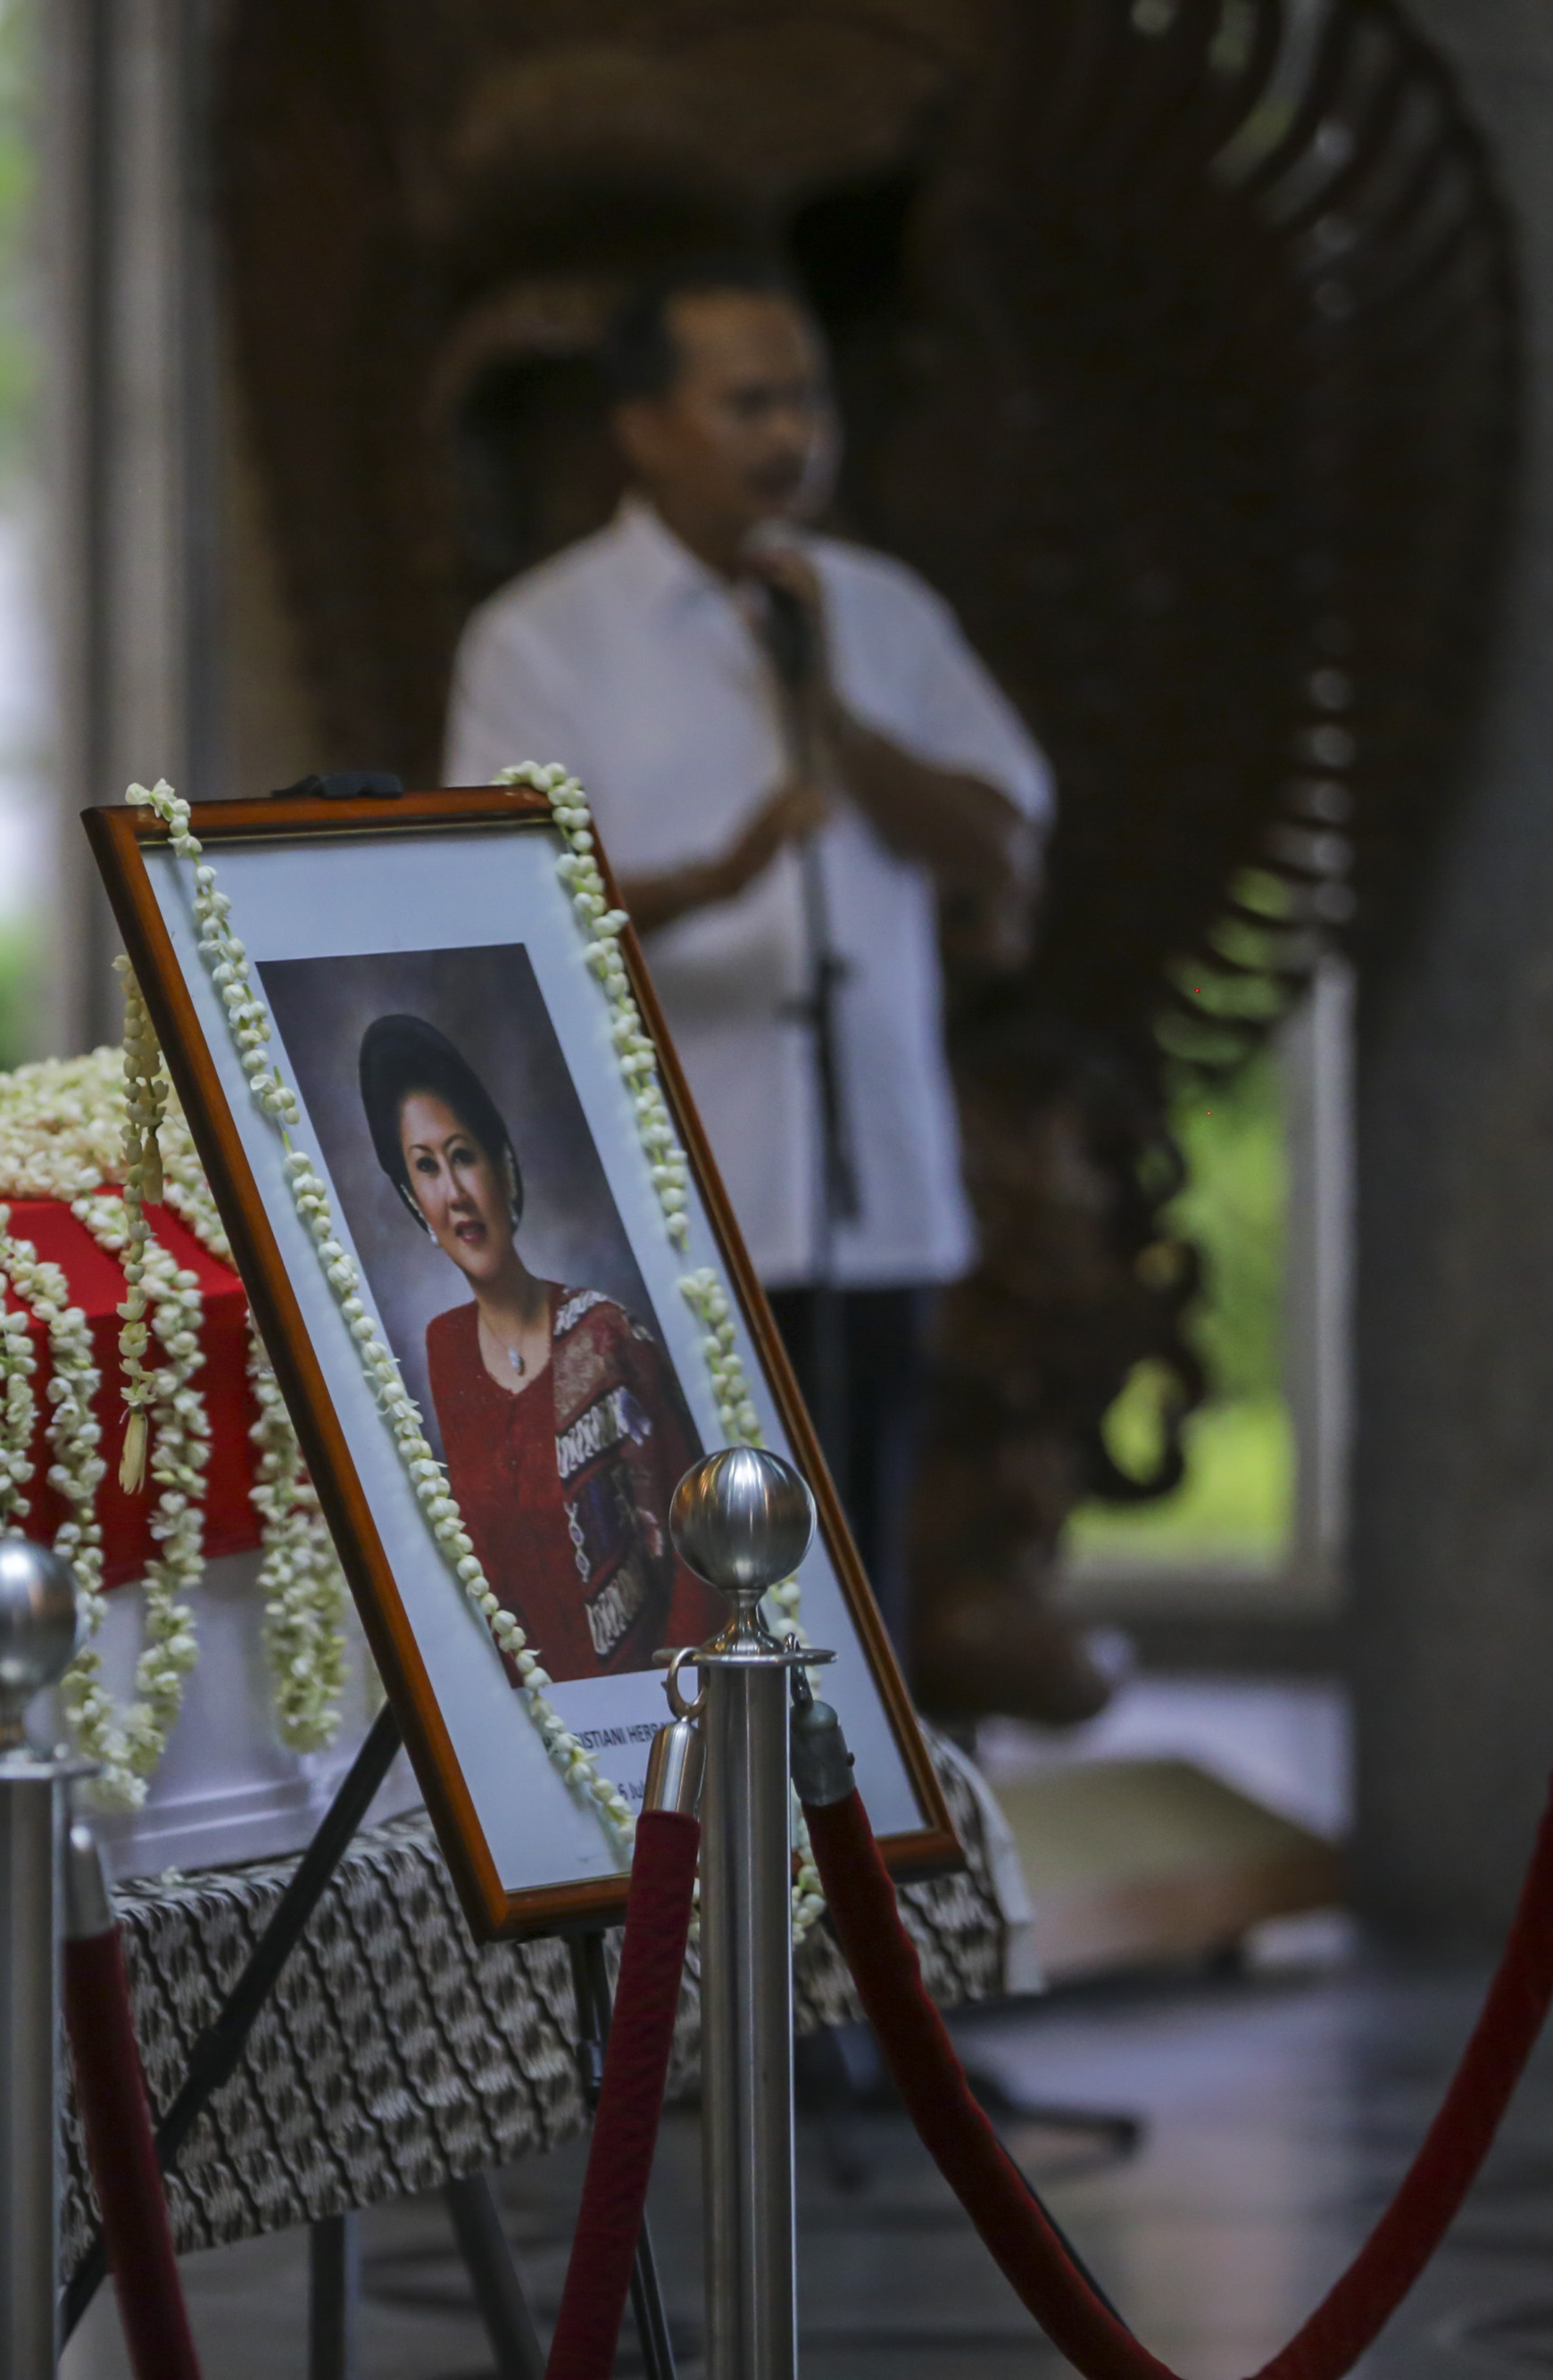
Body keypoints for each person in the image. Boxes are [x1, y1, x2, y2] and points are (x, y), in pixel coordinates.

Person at [442, 255, 1105, 1721]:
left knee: (864, 1563)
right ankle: (692, 1894)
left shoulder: (877, 609)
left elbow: (1002, 840)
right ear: (644, 427)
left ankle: (859, 1883)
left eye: (806, 397)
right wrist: (720, 875)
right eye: (748, 401)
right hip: (667, 1205)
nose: (790, 433)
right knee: (680, 1586)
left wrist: (832, 719)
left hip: (874, 1187)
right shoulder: (541, 636)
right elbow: (502, 904)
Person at [360, 1014, 713, 1681]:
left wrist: (664, 1719)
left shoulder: (607, 1336)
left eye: (464, 1155)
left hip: (657, 1720)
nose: (455, 1192)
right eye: (427, 1168)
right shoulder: (444, 1349)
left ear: (505, 1166)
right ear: (415, 1203)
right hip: (534, 1730)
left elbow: (703, 1555)